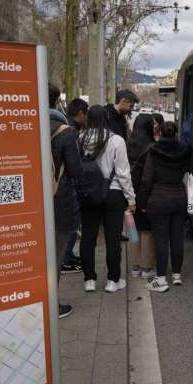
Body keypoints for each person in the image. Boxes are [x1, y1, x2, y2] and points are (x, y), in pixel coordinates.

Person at [78, 105, 136, 293]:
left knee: (88, 236)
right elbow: (123, 173)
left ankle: (89, 280)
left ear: (88, 119)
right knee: (113, 238)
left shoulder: (80, 138)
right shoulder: (116, 140)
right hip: (113, 193)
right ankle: (113, 280)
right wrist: (131, 198)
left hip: (87, 194)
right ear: (106, 119)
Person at [138, 121, 193, 292]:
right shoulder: (184, 151)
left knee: (161, 238)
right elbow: (188, 173)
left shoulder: (154, 152)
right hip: (179, 197)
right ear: (175, 133)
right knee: (177, 237)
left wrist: (142, 202)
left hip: (158, 198)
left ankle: (161, 277)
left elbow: (147, 179)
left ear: (160, 133)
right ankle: (177, 274)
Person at [48, 84, 83, 318]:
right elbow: (75, 170)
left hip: (26, 203)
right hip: (57, 202)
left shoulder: (16, 124)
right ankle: (52, 305)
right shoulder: (64, 131)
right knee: (56, 254)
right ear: (56, 100)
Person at [126, 114, 158, 279]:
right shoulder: (152, 148)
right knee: (147, 232)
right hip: (145, 194)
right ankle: (146, 268)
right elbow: (147, 178)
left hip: (128, 194)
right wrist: (144, 200)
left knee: (132, 230)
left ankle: (135, 267)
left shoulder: (128, 144)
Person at [60, 97, 89, 275]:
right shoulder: (71, 131)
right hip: (69, 186)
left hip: (64, 185)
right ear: (80, 114)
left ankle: (67, 256)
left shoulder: (66, 126)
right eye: (86, 115)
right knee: (72, 224)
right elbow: (74, 164)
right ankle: (67, 259)